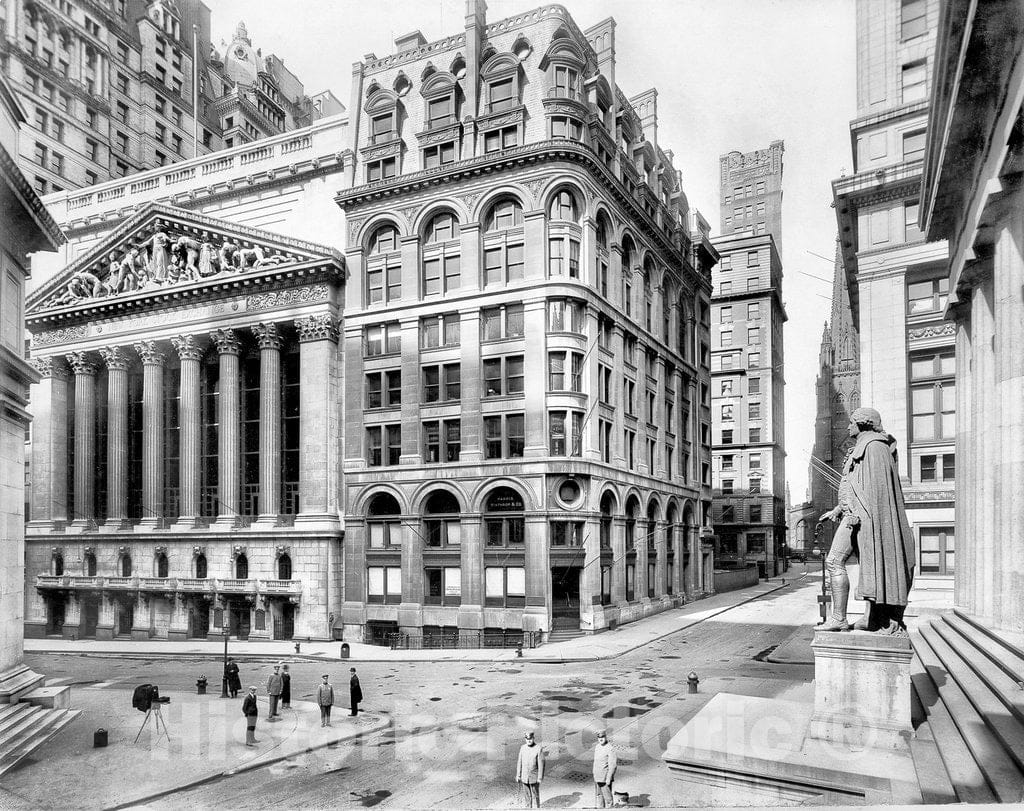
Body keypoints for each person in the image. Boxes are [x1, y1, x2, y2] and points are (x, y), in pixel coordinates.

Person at [819, 407, 915, 634]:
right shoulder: (864, 447)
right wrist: (838, 509)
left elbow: (879, 494)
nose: (848, 426)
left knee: (836, 561)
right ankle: (848, 618)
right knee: (836, 561)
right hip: (854, 516)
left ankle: (849, 619)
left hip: (863, 519)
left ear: (863, 423)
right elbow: (855, 485)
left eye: (852, 422)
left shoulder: (874, 448)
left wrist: (856, 514)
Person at [515, 731, 544, 808]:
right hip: (524, 777)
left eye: (530, 739)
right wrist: (518, 775)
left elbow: (541, 765)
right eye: (527, 739)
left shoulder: (538, 748)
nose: (529, 740)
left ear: (533, 738)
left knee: (535, 796)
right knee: (527, 796)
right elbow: (519, 762)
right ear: (525, 739)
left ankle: (537, 808)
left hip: (534, 777)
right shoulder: (522, 748)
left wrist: (540, 777)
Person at [592, 729, 617, 808]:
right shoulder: (597, 747)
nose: (601, 739)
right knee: (599, 797)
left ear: (606, 737)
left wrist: (608, 778)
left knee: (608, 799)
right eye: (599, 738)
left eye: (602, 737)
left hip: (605, 779)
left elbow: (612, 765)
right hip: (597, 777)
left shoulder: (610, 748)